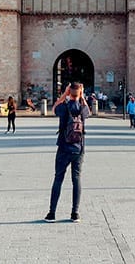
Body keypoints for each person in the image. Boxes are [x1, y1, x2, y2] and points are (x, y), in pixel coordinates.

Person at [45, 82, 89, 223]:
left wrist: (64, 94)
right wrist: (81, 96)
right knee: (76, 179)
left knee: (58, 178)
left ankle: (52, 213)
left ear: (69, 92)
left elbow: (54, 108)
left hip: (63, 147)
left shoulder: (64, 107)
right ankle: (75, 213)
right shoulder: (82, 108)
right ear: (80, 92)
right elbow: (89, 111)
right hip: (78, 148)